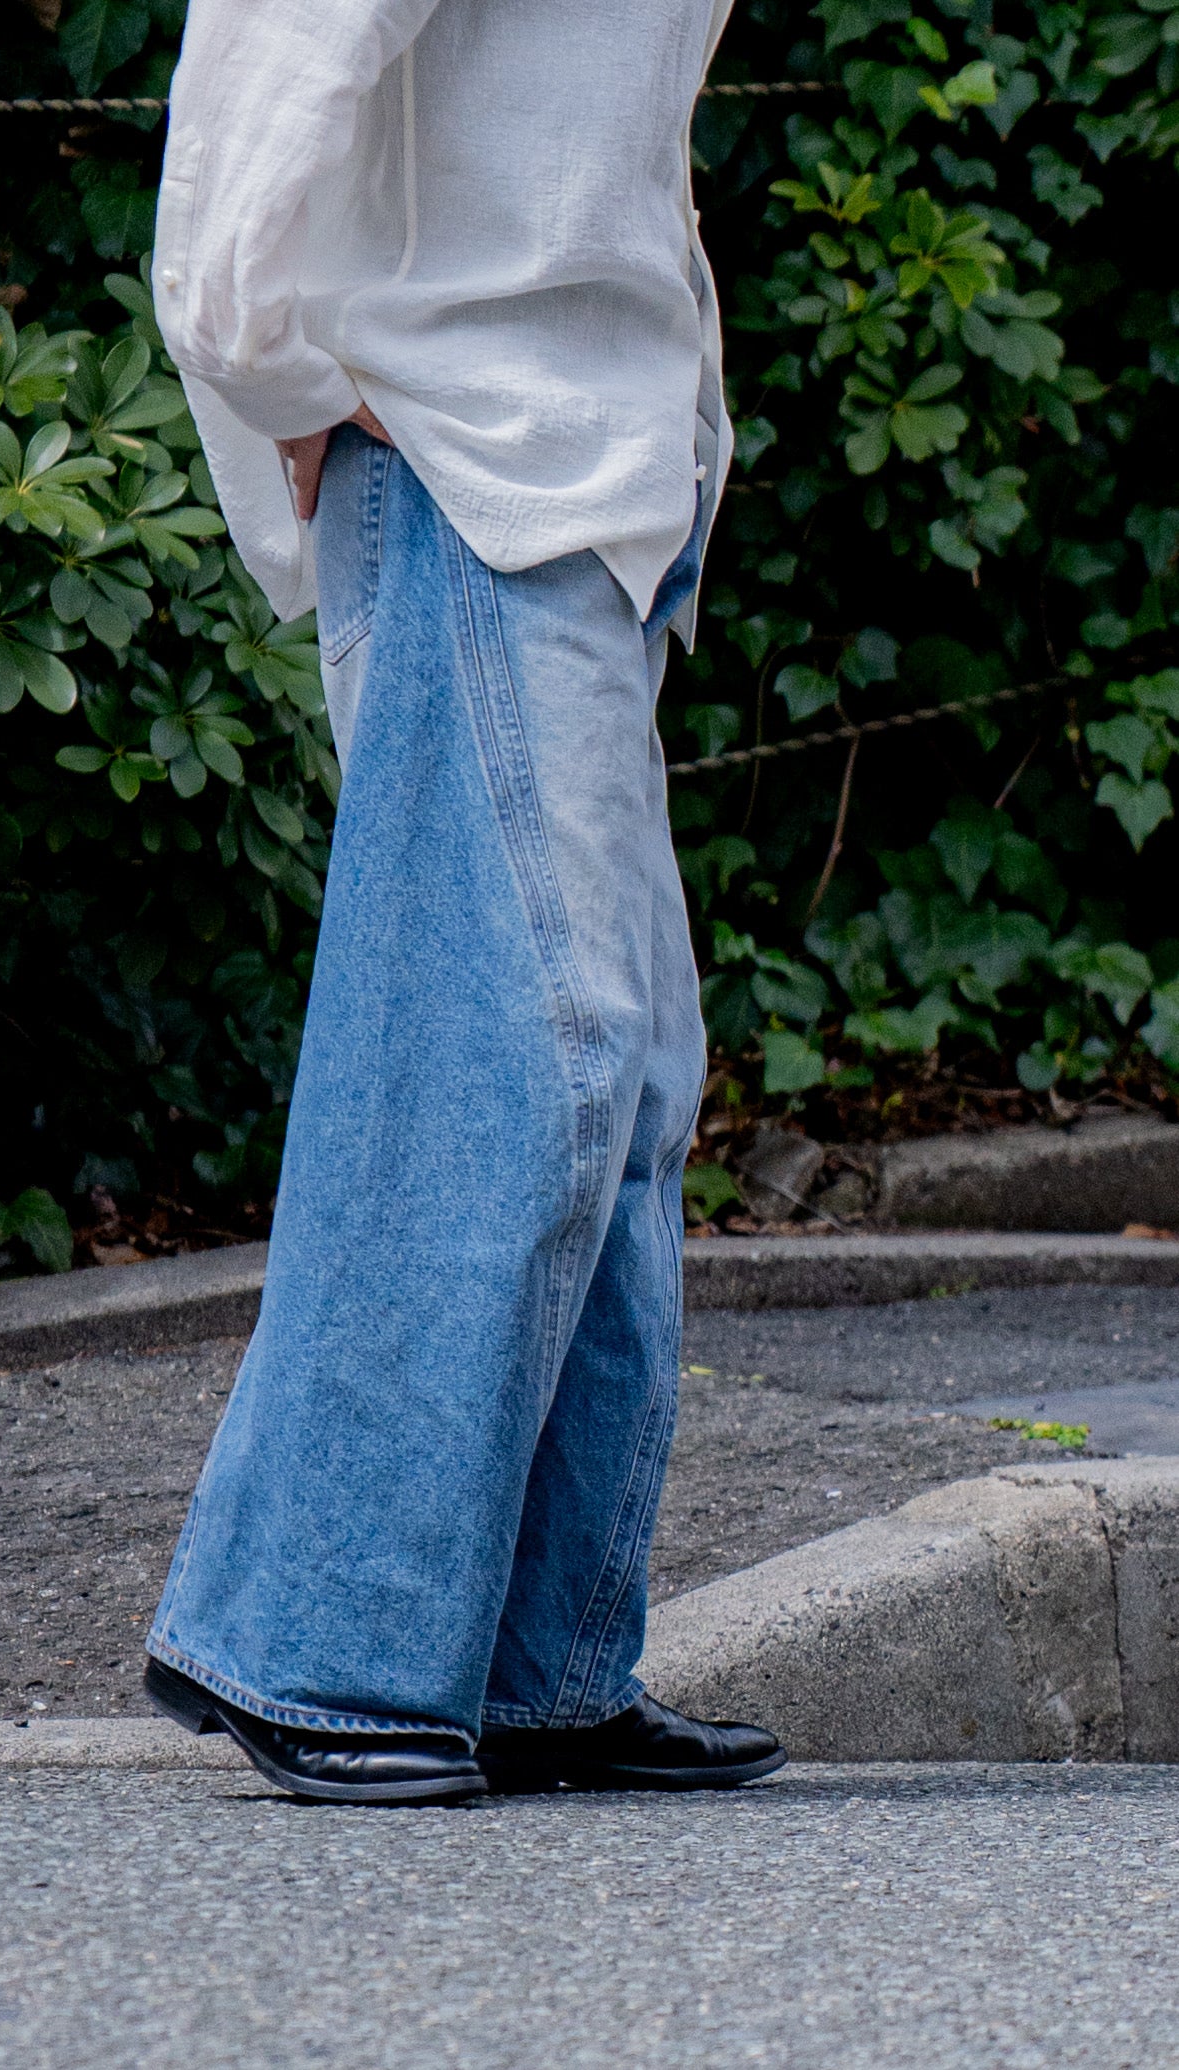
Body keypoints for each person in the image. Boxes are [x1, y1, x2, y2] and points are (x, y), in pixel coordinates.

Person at [143, 0, 787, 1804]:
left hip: (600, 467)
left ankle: (537, 1663)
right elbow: (272, 47)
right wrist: (272, 366)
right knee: (513, 1053)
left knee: (626, 1083)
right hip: (470, 455)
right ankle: (321, 1640)